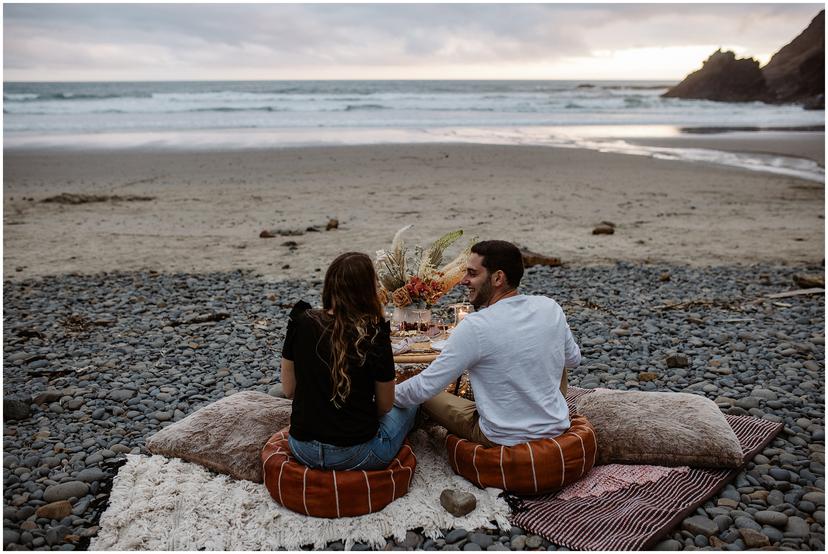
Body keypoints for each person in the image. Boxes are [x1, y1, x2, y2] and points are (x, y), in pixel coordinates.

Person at [394, 240, 581, 447]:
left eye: (472, 274)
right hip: (556, 427)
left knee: (425, 396)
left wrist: (384, 398)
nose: (463, 280)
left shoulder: (476, 326)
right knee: (556, 355)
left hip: (501, 437)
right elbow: (573, 359)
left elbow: (425, 387)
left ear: (498, 278)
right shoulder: (550, 307)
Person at [280, 252, 418, 470]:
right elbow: (384, 406)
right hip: (356, 454)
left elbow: (288, 389)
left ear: (329, 285)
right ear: (368, 290)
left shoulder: (301, 320)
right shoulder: (374, 333)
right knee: (412, 402)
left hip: (301, 447)